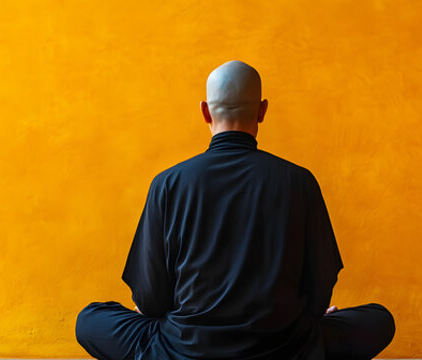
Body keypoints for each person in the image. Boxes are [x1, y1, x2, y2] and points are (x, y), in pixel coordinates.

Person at [75, 61, 395, 360]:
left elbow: (150, 302)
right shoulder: (300, 182)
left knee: (90, 319)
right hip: (285, 347)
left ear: (204, 112)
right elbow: (318, 292)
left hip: (184, 349)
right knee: (380, 320)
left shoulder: (168, 183)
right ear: (262, 111)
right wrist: (310, 321)